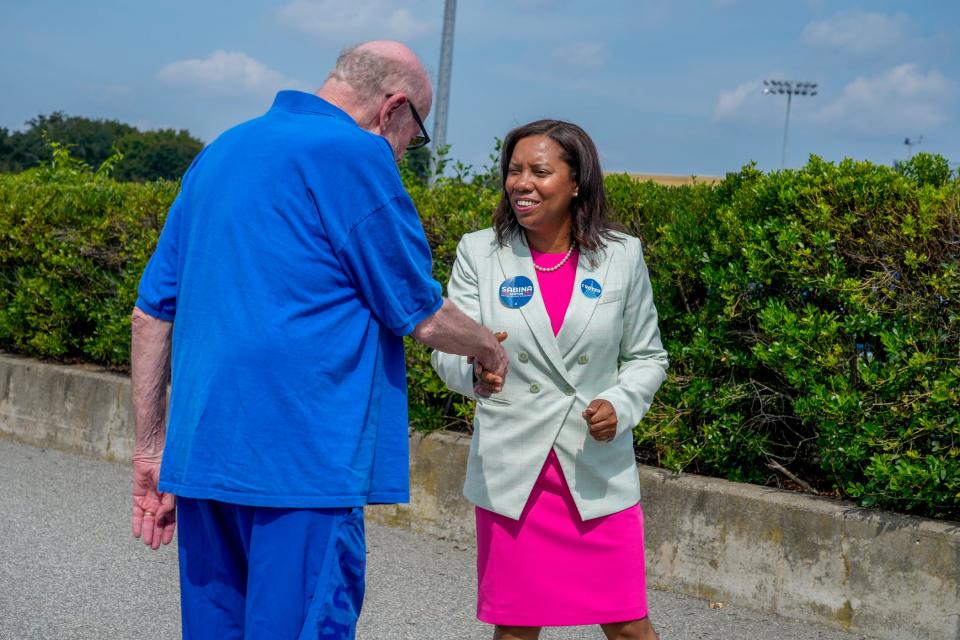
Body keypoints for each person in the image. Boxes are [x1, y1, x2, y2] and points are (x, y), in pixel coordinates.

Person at [130, 40, 509, 639]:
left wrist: (151, 453)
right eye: (418, 131)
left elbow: (151, 315)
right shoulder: (354, 153)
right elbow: (422, 314)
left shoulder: (222, 150)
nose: (409, 148)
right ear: (393, 108)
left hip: (204, 457)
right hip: (304, 463)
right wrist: (489, 347)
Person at [431, 120, 669, 640]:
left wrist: (621, 403)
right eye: (514, 170)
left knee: (629, 624)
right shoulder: (479, 252)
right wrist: (473, 371)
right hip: (514, 472)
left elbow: (648, 356)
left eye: (540, 171)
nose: (522, 183)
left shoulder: (622, 256)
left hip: (595, 471)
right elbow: (446, 349)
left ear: (577, 180)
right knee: (516, 628)